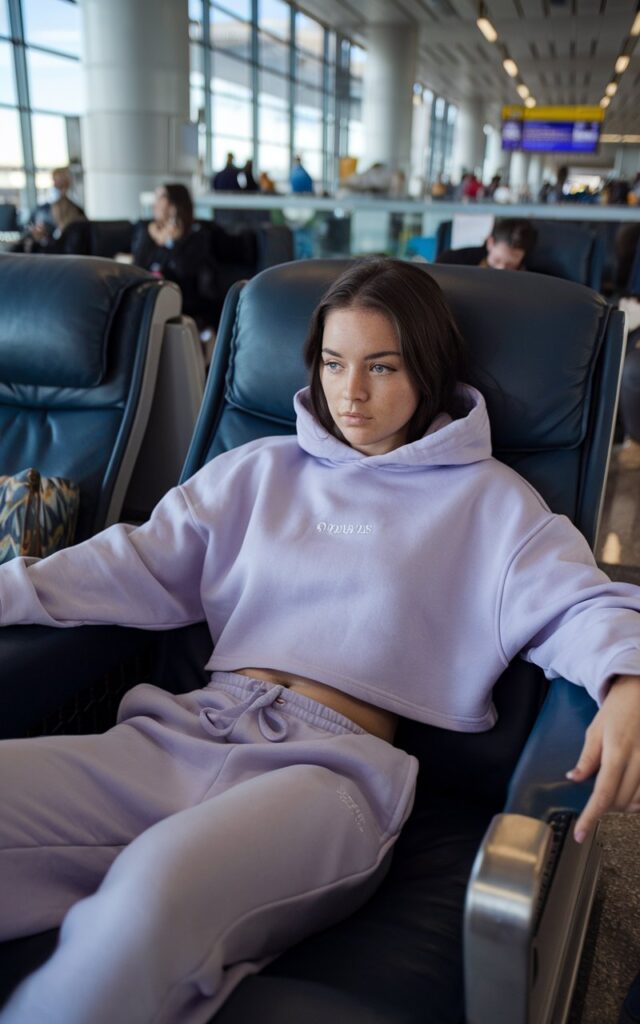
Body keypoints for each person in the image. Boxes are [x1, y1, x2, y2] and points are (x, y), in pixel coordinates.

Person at [2, 257, 640, 1024]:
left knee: (146, 905)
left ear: (429, 369)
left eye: (382, 366)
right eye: (335, 364)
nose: (351, 392)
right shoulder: (255, 471)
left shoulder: (493, 504)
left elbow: (581, 606)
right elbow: (129, 562)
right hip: (184, 733)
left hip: (329, 777)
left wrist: (626, 680)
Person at [131, 183, 221, 329]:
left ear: (174, 205)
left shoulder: (197, 235)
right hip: (151, 298)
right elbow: (138, 266)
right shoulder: (148, 230)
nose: (155, 203)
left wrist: (171, 241)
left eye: (160, 198)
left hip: (184, 301)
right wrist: (149, 236)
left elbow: (183, 269)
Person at [11, 167, 86, 253]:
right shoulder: (43, 210)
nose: (56, 185)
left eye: (61, 181)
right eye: (55, 180)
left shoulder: (76, 213)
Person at [436, 217, 538, 272]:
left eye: (510, 265)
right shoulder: (452, 261)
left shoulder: (533, 274)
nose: (501, 269)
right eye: (497, 260)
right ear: (490, 243)